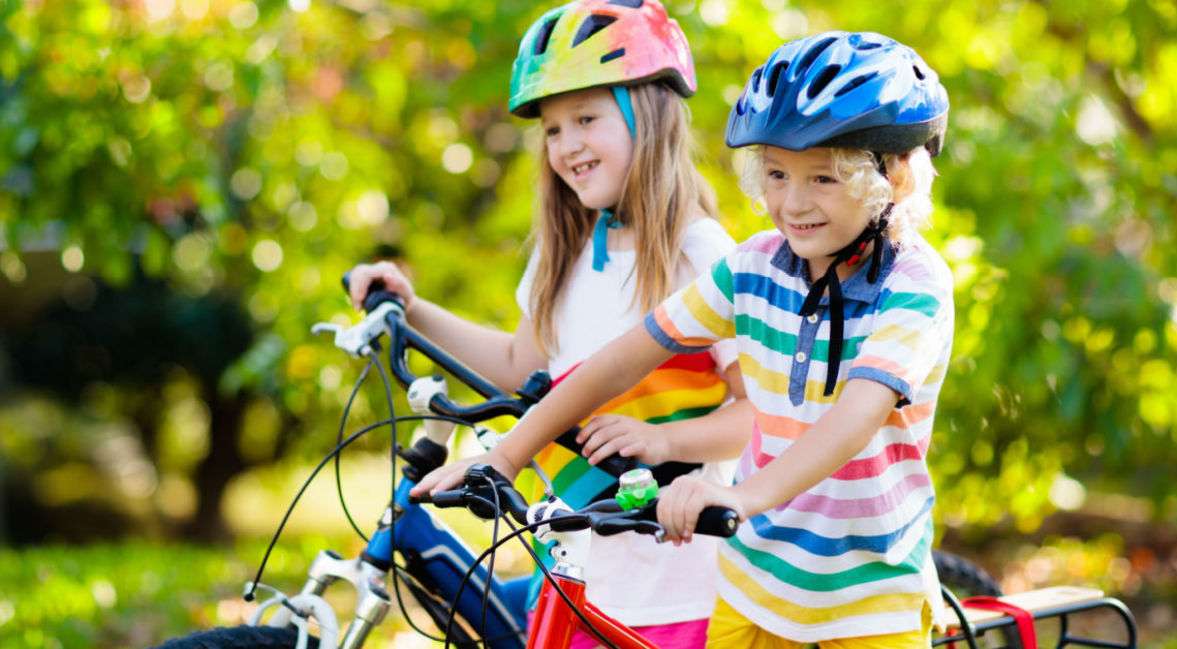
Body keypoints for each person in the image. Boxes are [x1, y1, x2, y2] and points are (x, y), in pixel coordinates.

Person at [418, 30, 955, 648]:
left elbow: (856, 416)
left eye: (825, 179)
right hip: (752, 586)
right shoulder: (754, 267)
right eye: (776, 174)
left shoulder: (915, 284)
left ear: (897, 180)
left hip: (868, 600)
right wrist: (505, 456)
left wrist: (739, 495)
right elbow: (620, 360)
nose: (793, 203)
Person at [353, 1, 750, 647]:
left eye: (586, 119)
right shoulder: (562, 255)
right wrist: (411, 306)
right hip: (573, 572)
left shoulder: (700, 254)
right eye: (553, 129)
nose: (566, 146)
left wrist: (664, 442)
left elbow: (756, 413)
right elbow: (517, 365)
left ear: (647, 118)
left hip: (677, 586)